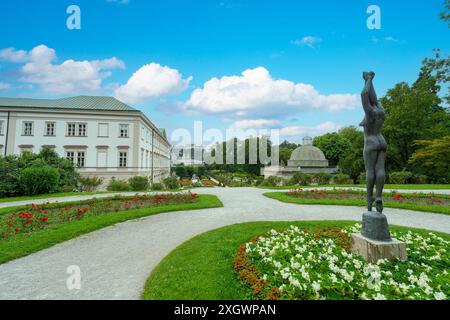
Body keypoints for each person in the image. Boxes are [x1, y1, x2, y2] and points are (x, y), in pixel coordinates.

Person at [360, 71, 387, 213]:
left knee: (370, 171)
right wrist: (369, 81)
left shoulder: (369, 113)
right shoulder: (381, 110)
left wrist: (368, 79)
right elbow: (373, 98)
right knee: (380, 169)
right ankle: (379, 196)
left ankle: (369, 196)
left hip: (370, 143)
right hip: (381, 140)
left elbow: (364, 95)